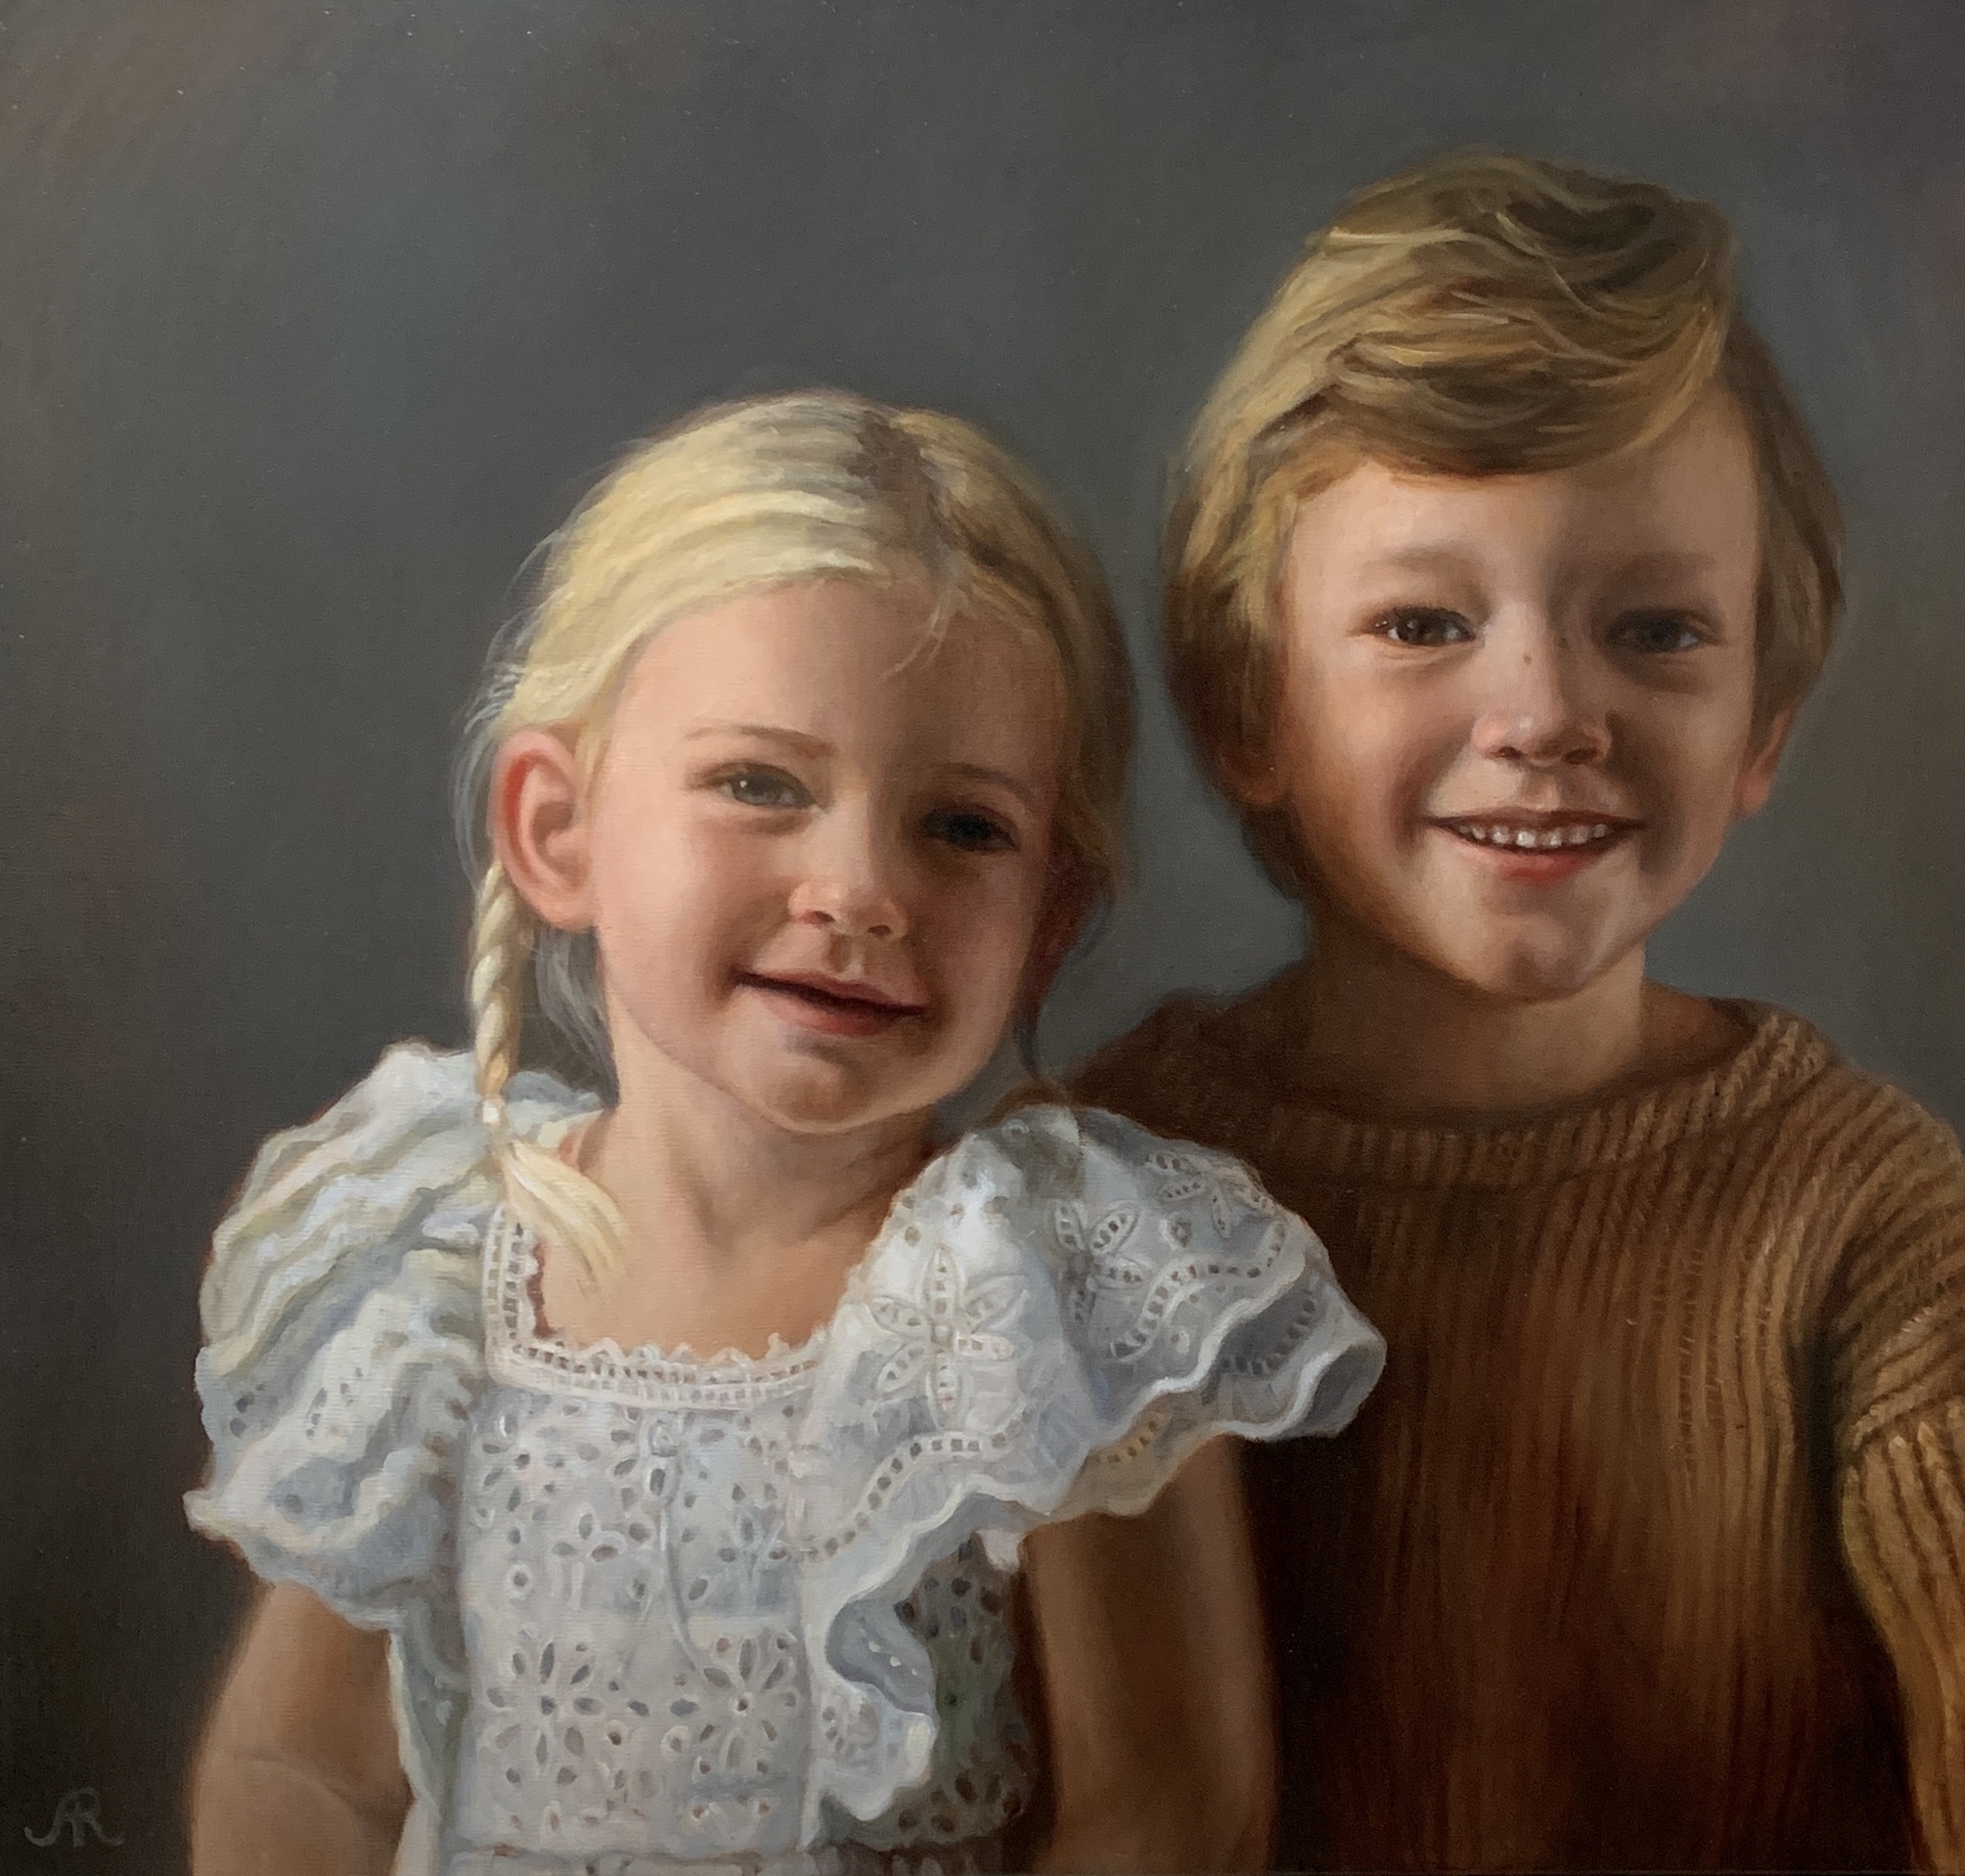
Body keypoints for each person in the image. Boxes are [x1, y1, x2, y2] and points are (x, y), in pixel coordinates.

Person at [1074, 151, 1965, 1872]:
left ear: (1762, 724)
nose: (1545, 711)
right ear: (1246, 702)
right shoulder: (1085, 1196)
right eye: (1422, 622)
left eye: (1657, 630)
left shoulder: (1862, 1224)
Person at [184, 389, 1383, 1876]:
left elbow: (1166, 1812)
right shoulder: (432, 1271)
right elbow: (294, 1765)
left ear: (1048, 918)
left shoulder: (1050, 1294)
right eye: (760, 785)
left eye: (963, 828)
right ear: (556, 829)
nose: (860, 890)